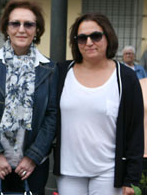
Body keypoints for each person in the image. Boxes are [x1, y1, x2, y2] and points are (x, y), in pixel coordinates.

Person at [0, 0, 58, 193]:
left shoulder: (49, 68)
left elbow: (52, 116)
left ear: (37, 30)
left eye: (29, 24)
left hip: (31, 164)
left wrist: (33, 156)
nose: (21, 29)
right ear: (6, 28)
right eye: (15, 23)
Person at [53, 13, 144, 195]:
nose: (89, 42)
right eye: (82, 38)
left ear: (108, 37)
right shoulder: (61, 72)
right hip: (69, 173)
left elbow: (135, 131)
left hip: (108, 173)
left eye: (95, 36)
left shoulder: (126, 78)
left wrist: (131, 178)